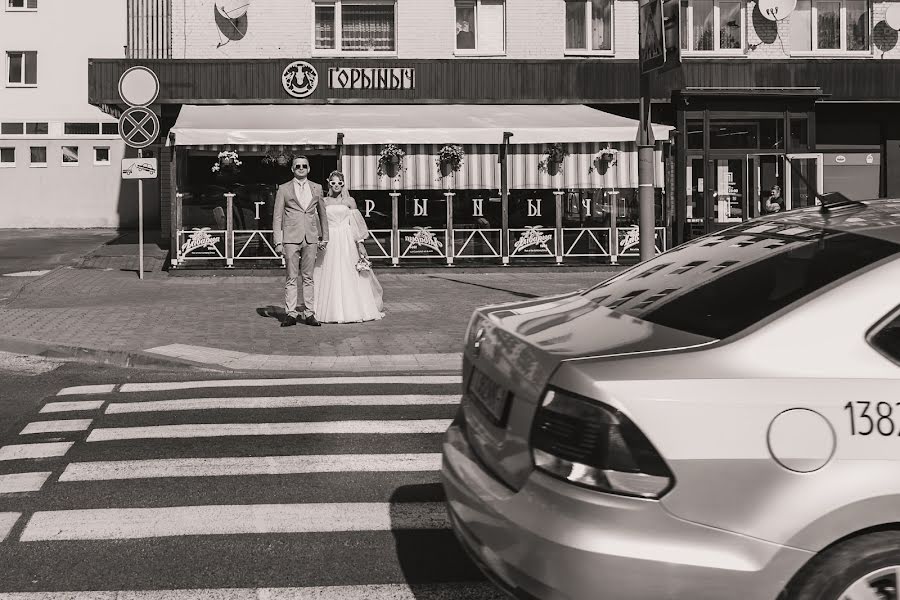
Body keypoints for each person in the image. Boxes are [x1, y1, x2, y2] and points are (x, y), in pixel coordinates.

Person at [313, 170, 385, 323]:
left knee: (349, 271)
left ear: (343, 184)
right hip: (330, 239)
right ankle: (329, 309)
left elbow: (356, 225)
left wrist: (360, 244)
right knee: (329, 271)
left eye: (340, 183)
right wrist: (320, 239)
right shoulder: (324, 201)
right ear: (329, 183)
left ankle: (353, 308)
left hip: (346, 240)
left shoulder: (350, 201)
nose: (336, 185)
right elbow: (319, 223)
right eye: (333, 183)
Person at [273, 156, 329, 327]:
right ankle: (291, 313)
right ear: (292, 169)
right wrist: (278, 241)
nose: (301, 168)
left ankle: (309, 313)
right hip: (290, 238)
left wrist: (325, 236)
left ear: (309, 168)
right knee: (291, 277)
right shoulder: (283, 189)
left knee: (308, 277)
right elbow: (277, 216)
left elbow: (322, 214)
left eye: (304, 166)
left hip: (311, 237)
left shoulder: (317, 187)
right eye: (297, 166)